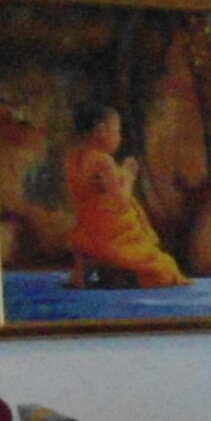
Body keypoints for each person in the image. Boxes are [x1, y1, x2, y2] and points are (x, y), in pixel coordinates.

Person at [61, 106, 186, 289]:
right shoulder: (103, 161)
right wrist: (128, 175)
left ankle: (105, 273)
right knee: (167, 269)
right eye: (117, 131)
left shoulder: (72, 158)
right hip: (113, 234)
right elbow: (120, 202)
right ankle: (124, 274)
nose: (119, 138)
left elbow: (89, 192)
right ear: (101, 130)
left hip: (86, 229)